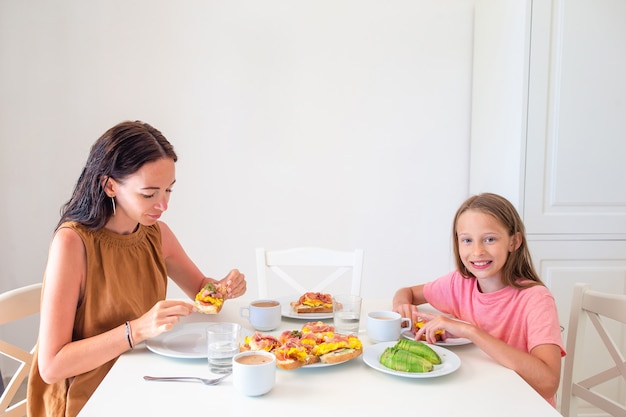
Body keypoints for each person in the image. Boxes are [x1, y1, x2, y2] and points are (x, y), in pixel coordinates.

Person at [27, 121, 247, 417]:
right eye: (149, 194)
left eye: (169, 190)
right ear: (110, 185)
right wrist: (138, 330)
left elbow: (201, 290)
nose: (163, 204)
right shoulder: (73, 243)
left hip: (144, 379)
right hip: (89, 398)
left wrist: (222, 288)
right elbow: (52, 366)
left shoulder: (157, 235)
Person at [393, 193, 565, 407]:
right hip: (478, 398)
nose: (477, 251)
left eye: (490, 239)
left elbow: (548, 382)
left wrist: (469, 331)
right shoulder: (460, 283)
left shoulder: (536, 299)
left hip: (522, 406)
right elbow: (407, 291)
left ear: (514, 241)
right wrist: (402, 307)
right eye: (467, 240)